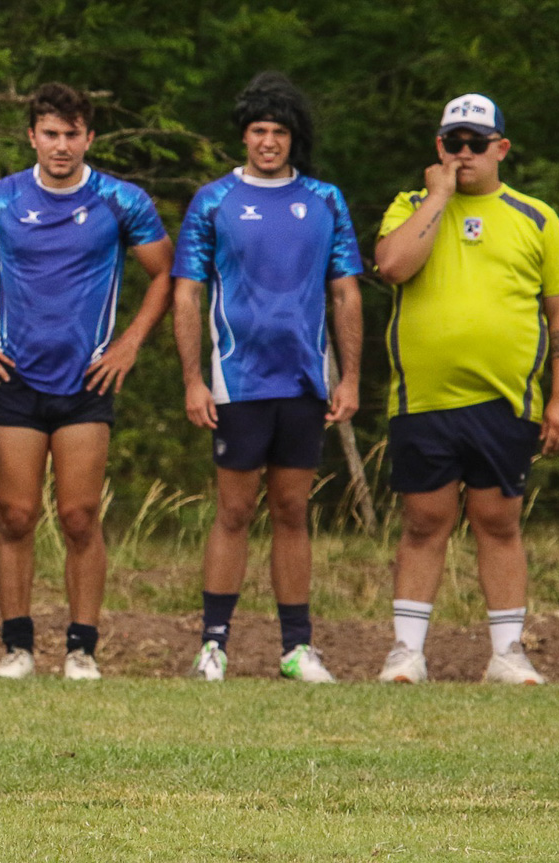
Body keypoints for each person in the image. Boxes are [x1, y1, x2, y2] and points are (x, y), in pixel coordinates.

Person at [0, 82, 173, 680]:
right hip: (13, 375)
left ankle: (81, 650)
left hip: (87, 378)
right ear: (32, 136)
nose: (61, 145)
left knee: (79, 515)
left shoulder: (122, 199)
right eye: (50, 133)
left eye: (72, 134)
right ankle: (16, 648)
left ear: (89, 137)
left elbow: (166, 272)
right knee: (15, 515)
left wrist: (129, 344)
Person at [372, 93, 559, 684]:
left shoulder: (537, 217)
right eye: (453, 142)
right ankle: (406, 652)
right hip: (424, 398)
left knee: (499, 519)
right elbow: (392, 266)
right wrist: (438, 195)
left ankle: (507, 653)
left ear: (501, 149)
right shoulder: (410, 206)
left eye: (476, 143)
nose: (465, 154)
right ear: (439, 147)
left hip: (506, 398)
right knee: (423, 520)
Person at [171, 73, 363, 683]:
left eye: (279, 132)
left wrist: (350, 377)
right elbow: (186, 293)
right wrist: (193, 379)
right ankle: (214, 646)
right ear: (245, 136)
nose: (269, 142)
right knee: (233, 511)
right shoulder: (214, 200)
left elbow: (344, 291)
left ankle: (296, 649)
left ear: (293, 138)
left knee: (291, 510)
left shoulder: (326, 200)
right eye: (259, 131)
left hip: (305, 381)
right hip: (237, 382)